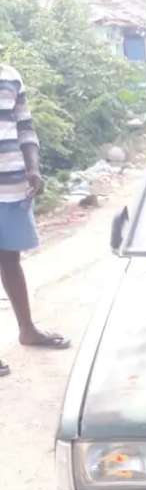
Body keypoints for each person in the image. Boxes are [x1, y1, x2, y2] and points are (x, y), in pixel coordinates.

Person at [0, 63, 69, 376]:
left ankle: (27, 329)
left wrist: (33, 168)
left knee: (10, 261)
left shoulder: (11, 75)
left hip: (13, 185)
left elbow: (25, 128)